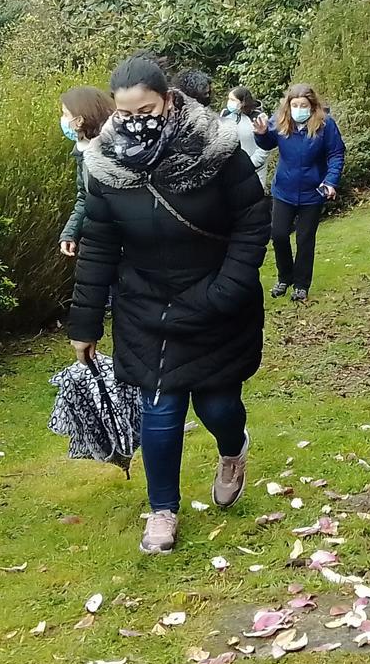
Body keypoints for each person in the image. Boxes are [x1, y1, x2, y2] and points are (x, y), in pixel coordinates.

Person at [68, 54, 270, 555]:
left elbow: (252, 220)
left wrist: (228, 288)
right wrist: (85, 322)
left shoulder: (214, 149)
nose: (136, 119)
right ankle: (162, 510)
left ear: (169, 99)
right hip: (145, 304)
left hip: (215, 298)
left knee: (217, 404)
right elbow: (98, 244)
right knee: (160, 408)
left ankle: (232, 448)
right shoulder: (105, 163)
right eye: (126, 111)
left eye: (147, 108)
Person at [256, 83, 344, 302]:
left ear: (312, 106)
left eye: (303, 105)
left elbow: (336, 154)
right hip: (284, 190)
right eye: (294, 105)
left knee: (305, 239)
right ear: (288, 105)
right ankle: (284, 277)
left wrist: (330, 181)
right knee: (278, 234)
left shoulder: (326, 125)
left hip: (312, 192)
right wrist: (262, 133)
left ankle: (301, 284)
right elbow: (268, 143)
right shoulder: (281, 121)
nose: (298, 109)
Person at [58, 85, 115, 258]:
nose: (63, 119)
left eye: (66, 114)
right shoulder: (82, 151)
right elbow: (84, 197)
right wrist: (70, 233)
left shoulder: (114, 150)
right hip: (99, 244)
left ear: (80, 119)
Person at [222, 86, 270, 185]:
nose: (229, 102)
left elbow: (265, 146)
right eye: (229, 99)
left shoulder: (258, 117)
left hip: (254, 171)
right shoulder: (224, 114)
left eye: (232, 100)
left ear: (243, 102)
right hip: (230, 171)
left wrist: (251, 164)